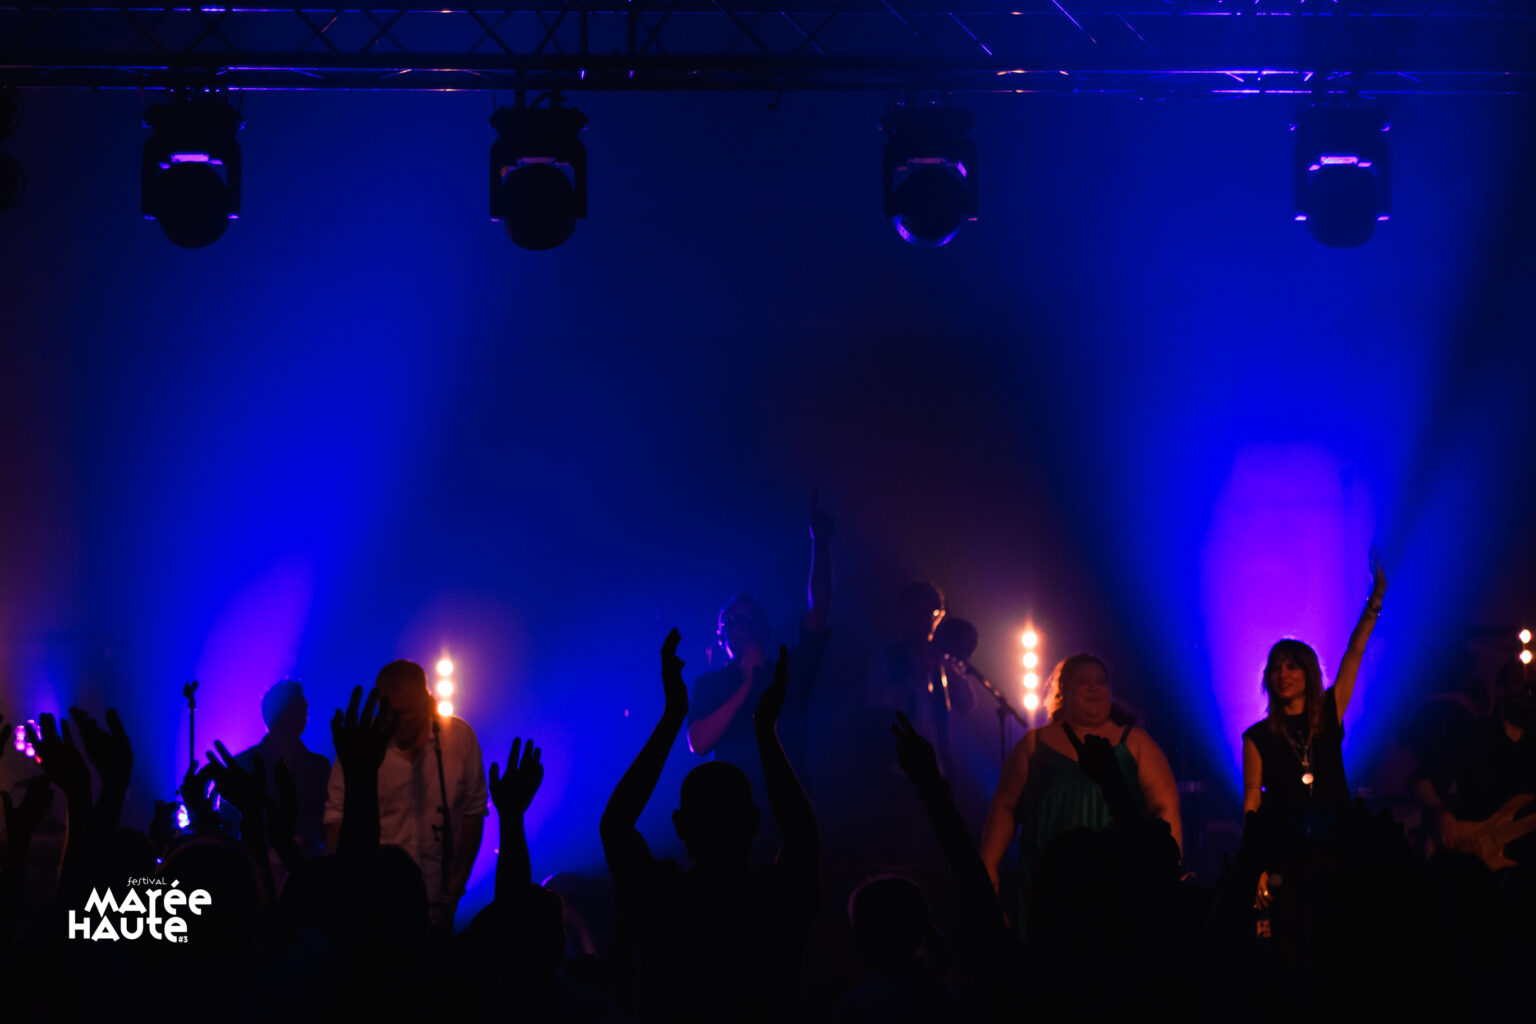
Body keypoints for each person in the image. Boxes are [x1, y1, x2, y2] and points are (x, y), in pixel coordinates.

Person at [601, 630, 820, 1023]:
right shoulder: (775, 898)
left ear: (680, 825)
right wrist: (766, 730)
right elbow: (803, 834)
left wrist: (672, 716)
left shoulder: (664, 900)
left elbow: (615, 823)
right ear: (754, 821)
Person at [978, 653, 1182, 936]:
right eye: (1083, 681)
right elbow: (1006, 806)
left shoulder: (1135, 741)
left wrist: (1170, 871)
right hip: (1047, 881)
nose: (1094, 688)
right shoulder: (1034, 743)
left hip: (1119, 881)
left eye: (1101, 681)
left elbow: (1165, 806)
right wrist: (987, 867)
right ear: (1062, 692)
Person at [323, 659, 488, 932]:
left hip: (439, 904)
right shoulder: (362, 742)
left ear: (427, 701)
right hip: (376, 905)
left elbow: (474, 810)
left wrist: (459, 880)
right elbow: (335, 820)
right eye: (388, 712)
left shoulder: (459, 738)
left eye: (406, 712)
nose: (397, 721)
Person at [687, 498, 831, 806]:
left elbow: (818, 613)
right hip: (733, 810)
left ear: (766, 628)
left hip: (791, 804)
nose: (742, 625)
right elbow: (699, 743)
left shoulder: (789, 672)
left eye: (751, 617)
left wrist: (820, 543)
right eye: (733, 620)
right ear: (721, 635)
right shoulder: (709, 685)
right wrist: (746, 685)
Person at [1241, 549, 1387, 817]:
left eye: (1292, 667)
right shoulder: (1257, 736)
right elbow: (1252, 798)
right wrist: (1252, 838)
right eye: (1276, 668)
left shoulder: (1330, 710)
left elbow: (1355, 651)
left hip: (1336, 834)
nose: (1283, 675)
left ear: (1308, 673)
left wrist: (1376, 598)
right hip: (1284, 838)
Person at [1413, 656, 1536, 872]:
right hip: (1471, 859)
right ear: (1500, 689)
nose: (1526, 694)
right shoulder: (1473, 735)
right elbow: (1422, 781)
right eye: (1519, 686)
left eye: (1530, 688)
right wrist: (1442, 814)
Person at [867, 580, 973, 774]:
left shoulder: (943, 660)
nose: (923, 621)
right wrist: (919, 673)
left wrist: (948, 668)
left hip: (940, 768)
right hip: (899, 769)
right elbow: (878, 708)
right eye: (916, 614)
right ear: (903, 616)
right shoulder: (886, 657)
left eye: (929, 614)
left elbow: (967, 704)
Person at [235, 680, 332, 857]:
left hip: (303, 862)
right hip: (260, 861)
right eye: (299, 710)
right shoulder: (244, 763)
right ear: (281, 713)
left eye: (304, 711)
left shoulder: (319, 766)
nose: (305, 716)